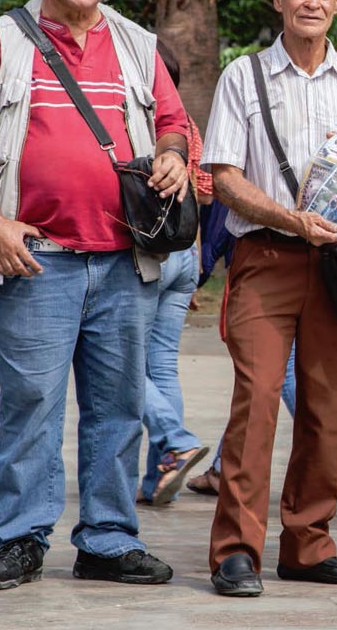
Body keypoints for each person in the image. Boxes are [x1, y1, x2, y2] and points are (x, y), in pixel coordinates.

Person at [0, 0, 188, 590]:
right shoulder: (2, 39)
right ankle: (19, 538)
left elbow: (172, 123)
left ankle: (108, 539)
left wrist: (171, 154)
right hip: (36, 259)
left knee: (118, 408)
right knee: (31, 404)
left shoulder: (138, 43)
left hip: (124, 259)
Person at [201, 0, 337, 597]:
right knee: (256, 401)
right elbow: (223, 177)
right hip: (266, 259)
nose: (311, 1)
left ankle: (307, 542)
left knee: (327, 408)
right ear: (278, 0)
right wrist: (290, 217)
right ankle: (236, 550)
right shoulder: (242, 77)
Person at [136, 40, 212, 506]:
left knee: (119, 362)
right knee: (161, 366)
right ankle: (158, 478)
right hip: (185, 254)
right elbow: (202, 195)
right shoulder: (187, 128)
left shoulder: (131, 120)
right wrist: (195, 264)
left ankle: (175, 437)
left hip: (144, 257)